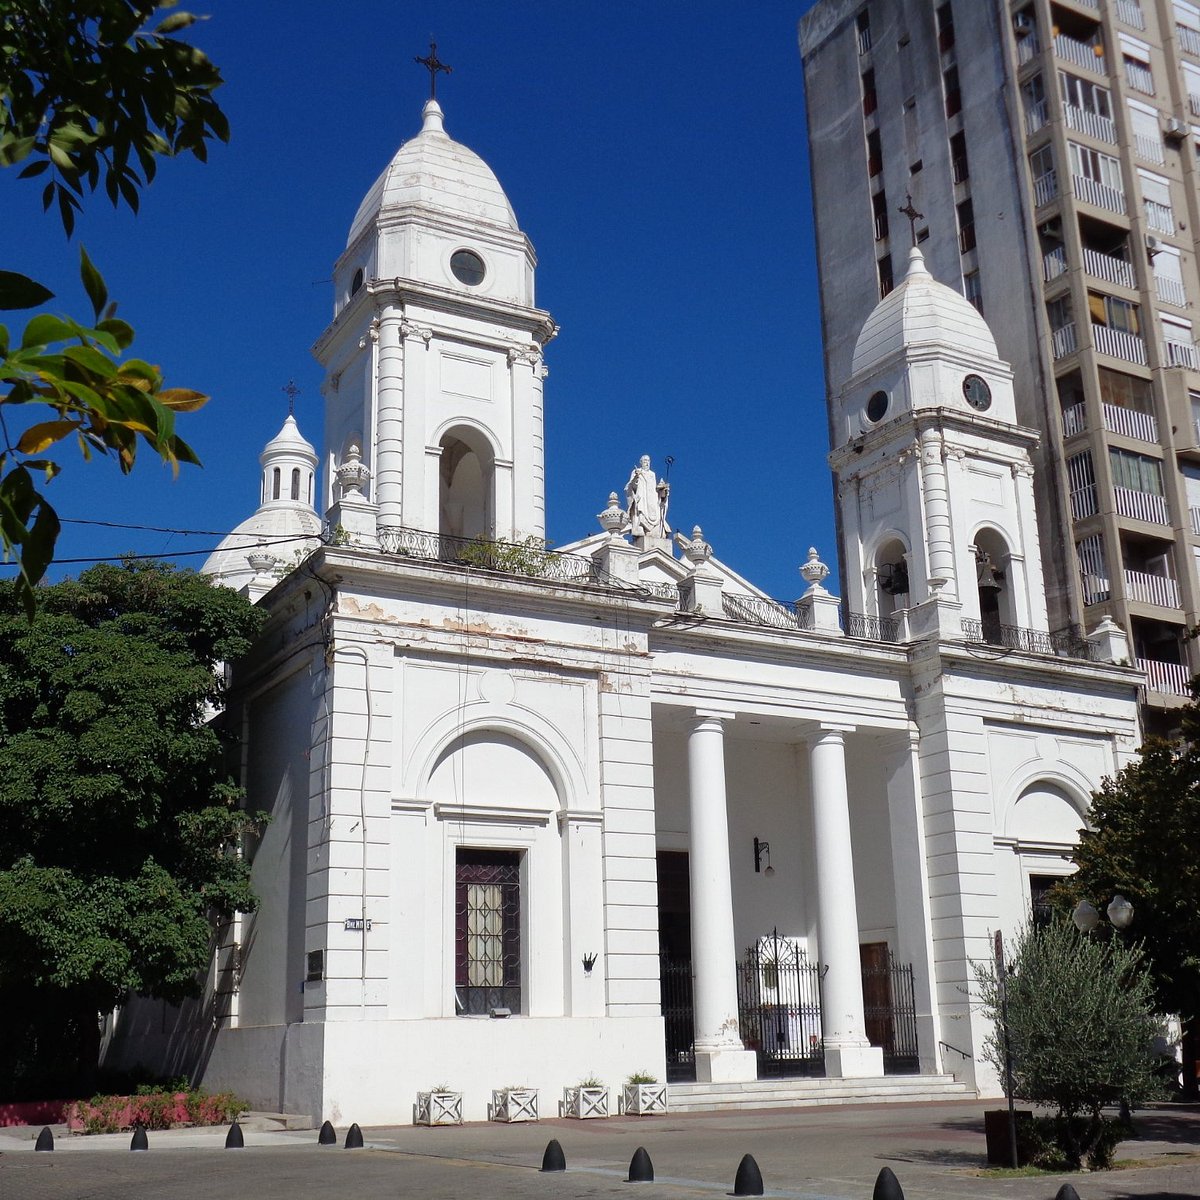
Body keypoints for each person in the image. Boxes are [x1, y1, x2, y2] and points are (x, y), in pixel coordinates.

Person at [625, 455, 669, 540]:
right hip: (642, 499)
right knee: (641, 513)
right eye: (645, 461)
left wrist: (662, 490)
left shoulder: (652, 474)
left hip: (652, 500)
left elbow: (654, 489)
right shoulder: (636, 471)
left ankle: (654, 530)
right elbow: (631, 486)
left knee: (655, 514)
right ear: (640, 462)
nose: (647, 463)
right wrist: (636, 477)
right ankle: (641, 528)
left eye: (648, 461)